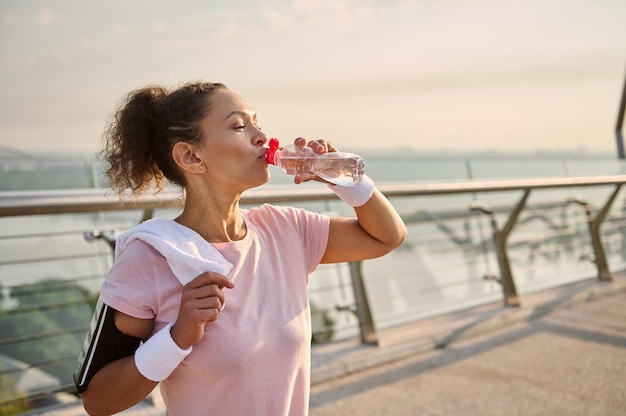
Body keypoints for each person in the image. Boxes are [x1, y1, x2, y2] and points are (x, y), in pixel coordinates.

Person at [77, 81, 407, 415]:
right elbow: (98, 400)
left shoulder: (286, 229)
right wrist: (176, 338)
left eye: (257, 123)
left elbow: (385, 237)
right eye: (238, 126)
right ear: (190, 156)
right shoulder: (150, 256)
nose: (262, 136)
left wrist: (343, 178)